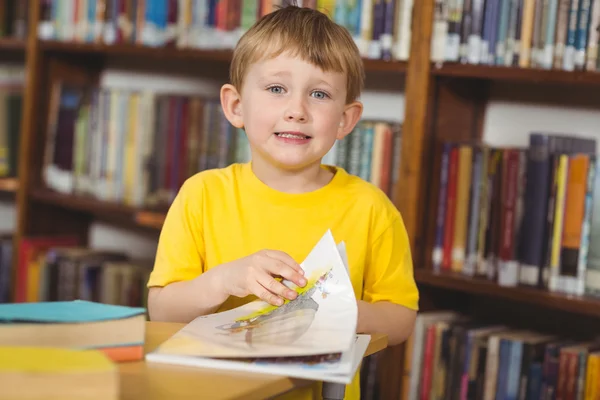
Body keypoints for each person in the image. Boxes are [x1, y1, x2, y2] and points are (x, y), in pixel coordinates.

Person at [147, 4, 419, 399]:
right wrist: (225, 279)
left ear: (345, 119)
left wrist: (337, 309)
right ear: (236, 106)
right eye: (277, 89)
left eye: (319, 94)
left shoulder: (371, 208)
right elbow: (163, 311)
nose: (297, 111)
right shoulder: (202, 195)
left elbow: (401, 321)